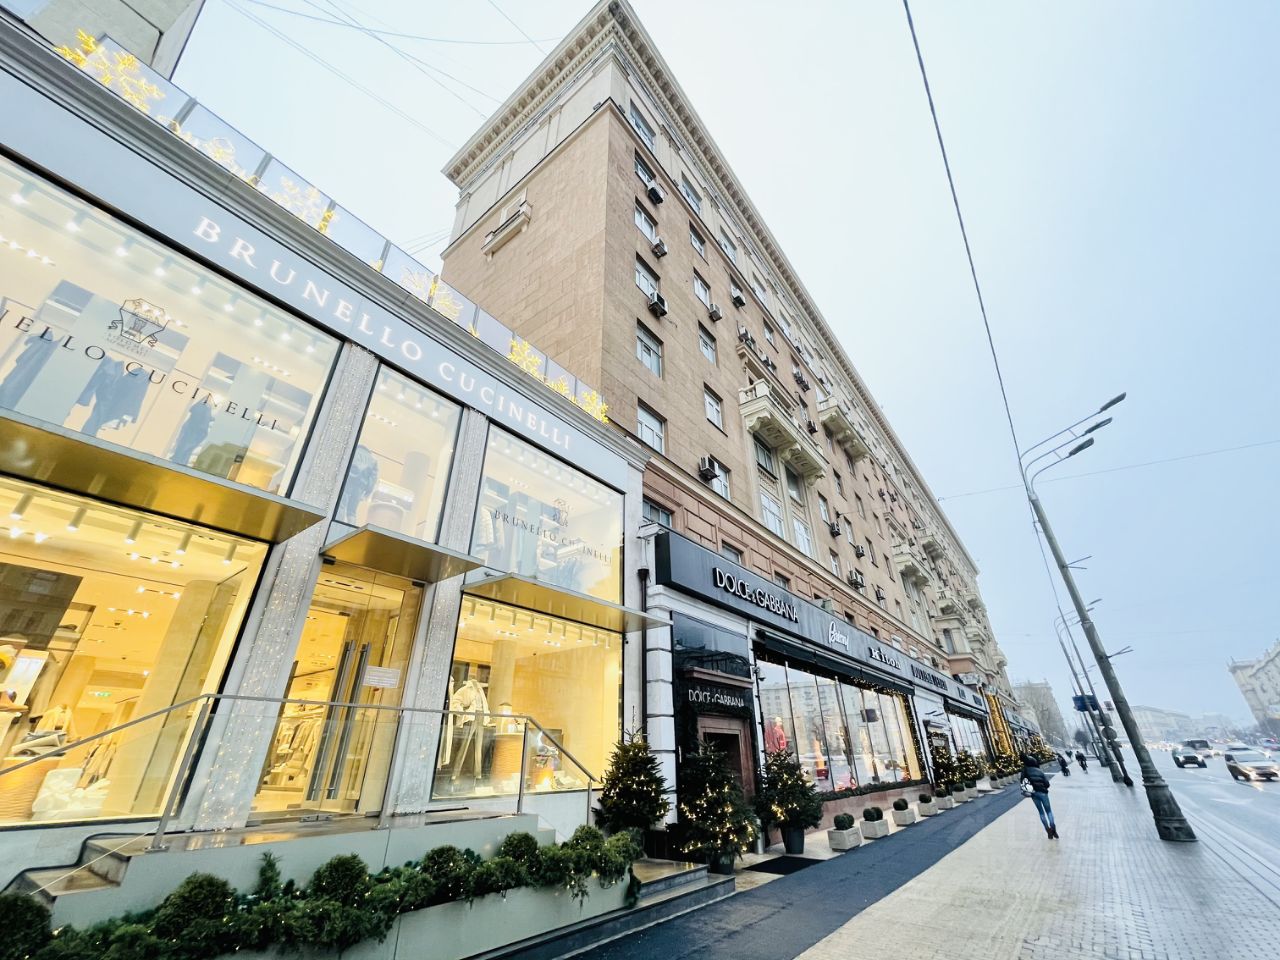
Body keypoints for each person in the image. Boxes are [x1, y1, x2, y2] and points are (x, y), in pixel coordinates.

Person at [1021, 755, 1057, 839]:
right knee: (1049, 811)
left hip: (1033, 794)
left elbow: (1023, 783)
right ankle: (1053, 828)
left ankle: (1048, 830)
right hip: (1043, 793)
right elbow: (1047, 784)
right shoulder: (1039, 771)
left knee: (1041, 812)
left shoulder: (1025, 771)